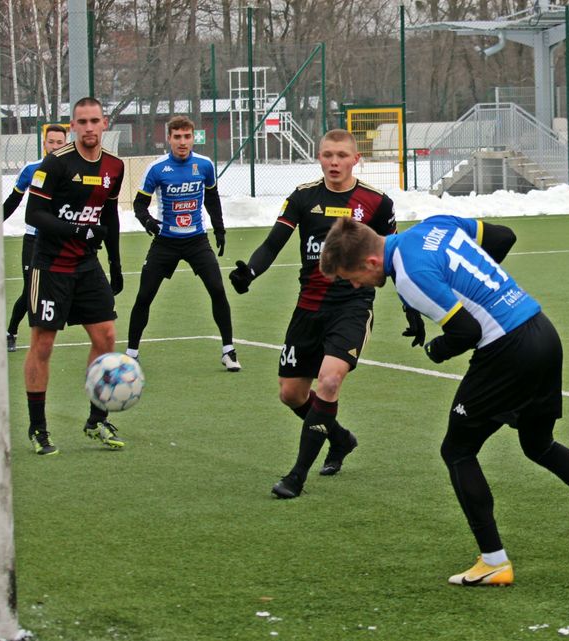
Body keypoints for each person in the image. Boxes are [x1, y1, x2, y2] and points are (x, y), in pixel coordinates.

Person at [319, 215, 569, 586]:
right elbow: (502, 237)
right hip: (541, 330)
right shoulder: (434, 225)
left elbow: (466, 331)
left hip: (506, 350)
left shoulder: (410, 275)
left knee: (457, 451)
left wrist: (437, 349)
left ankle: (494, 561)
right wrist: (478, 284)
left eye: (351, 278)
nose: (355, 285)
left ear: (371, 262)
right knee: (539, 444)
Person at [229, 129, 396, 498]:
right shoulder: (304, 197)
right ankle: (339, 439)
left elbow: (393, 255)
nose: (334, 162)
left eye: (341, 155)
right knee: (291, 394)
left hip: (352, 305)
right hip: (309, 307)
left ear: (356, 159)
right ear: (319, 157)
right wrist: (251, 272)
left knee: (330, 381)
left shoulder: (376, 202)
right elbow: (274, 243)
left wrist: (411, 306)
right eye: (327, 155)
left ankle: (296, 477)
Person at [23, 97, 125, 455]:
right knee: (44, 344)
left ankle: (96, 420)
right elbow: (34, 215)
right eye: (81, 122)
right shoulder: (55, 163)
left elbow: (109, 218)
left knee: (107, 337)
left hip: (86, 265)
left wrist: (114, 263)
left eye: (94, 120)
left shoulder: (115, 166)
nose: (88, 128)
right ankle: (38, 428)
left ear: (104, 123)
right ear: (72, 126)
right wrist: (74, 230)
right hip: (51, 265)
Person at [127, 115, 237, 370]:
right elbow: (139, 204)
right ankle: (131, 353)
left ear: (193, 137)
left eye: (187, 136)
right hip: (165, 242)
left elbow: (212, 197)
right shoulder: (156, 169)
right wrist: (149, 223)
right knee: (144, 295)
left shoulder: (205, 165)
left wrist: (219, 229)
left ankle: (228, 351)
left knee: (218, 290)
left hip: (197, 241)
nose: (182, 142)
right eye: (177, 137)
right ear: (169, 139)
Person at [3, 125, 68, 352]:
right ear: (45, 143)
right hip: (33, 240)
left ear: (66, 143)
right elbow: (13, 200)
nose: (55, 146)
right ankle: (11, 332)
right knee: (31, 288)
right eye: (51, 142)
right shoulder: (31, 169)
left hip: (60, 241)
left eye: (60, 142)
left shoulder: (73, 171)